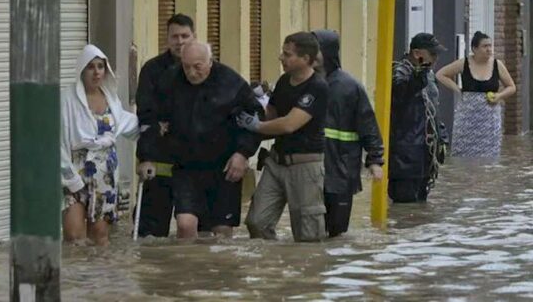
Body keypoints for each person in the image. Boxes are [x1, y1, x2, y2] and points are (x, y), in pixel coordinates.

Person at [142, 41, 263, 239]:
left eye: (197, 67)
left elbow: (256, 119)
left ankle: (213, 270)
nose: (191, 73)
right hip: (186, 166)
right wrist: (146, 155)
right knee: (185, 224)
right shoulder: (170, 80)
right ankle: (188, 269)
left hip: (224, 167)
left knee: (220, 233)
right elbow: (152, 119)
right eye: (186, 66)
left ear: (210, 61)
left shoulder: (231, 82)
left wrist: (242, 153)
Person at [237, 31, 328, 242]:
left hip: (305, 167)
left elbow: (289, 124)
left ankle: (304, 271)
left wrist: (257, 126)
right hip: (276, 163)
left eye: (287, 54)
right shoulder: (285, 80)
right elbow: (273, 113)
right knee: (256, 222)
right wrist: (255, 103)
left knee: (308, 236)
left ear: (305, 59)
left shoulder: (317, 87)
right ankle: (275, 267)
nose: (281, 58)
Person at [61, 44, 139, 245]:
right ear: (82, 69)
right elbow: (57, 141)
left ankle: (100, 276)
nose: (96, 72)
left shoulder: (111, 99)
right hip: (75, 171)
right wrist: (70, 179)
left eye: (100, 67)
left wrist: (156, 130)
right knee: (74, 236)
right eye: (91, 67)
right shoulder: (67, 100)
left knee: (100, 237)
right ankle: (75, 276)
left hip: (105, 173)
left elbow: (129, 124)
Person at [313, 30, 384, 237]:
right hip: (309, 168)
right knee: (310, 230)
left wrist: (375, 160)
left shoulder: (349, 86)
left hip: (341, 170)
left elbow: (368, 124)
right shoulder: (302, 82)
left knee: (336, 231)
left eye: (315, 50)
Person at [135, 13, 196, 237]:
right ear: (167, 38)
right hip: (159, 158)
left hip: (193, 164)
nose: (180, 41)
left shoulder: (207, 67)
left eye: (185, 36)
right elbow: (146, 116)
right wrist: (145, 157)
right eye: (174, 37)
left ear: (194, 36)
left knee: (191, 228)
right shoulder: (152, 70)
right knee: (150, 234)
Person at [436, 31, 516, 159]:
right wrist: (457, 89)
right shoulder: (464, 63)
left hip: (489, 119)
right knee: (462, 156)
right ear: (474, 48)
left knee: (490, 157)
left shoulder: (497, 65)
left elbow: (511, 87)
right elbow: (440, 74)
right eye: (485, 46)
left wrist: (499, 96)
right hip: (467, 118)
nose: (489, 49)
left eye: (490, 46)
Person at [389, 33, 448, 203]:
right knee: (405, 206)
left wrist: (442, 138)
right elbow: (400, 92)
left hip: (425, 155)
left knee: (421, 208)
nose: (436, 59)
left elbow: (433, 108)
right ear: (417, 53)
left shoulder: (428, 75)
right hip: (405, 156)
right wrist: (417, 77)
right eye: (433, 54)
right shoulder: (398, 71)